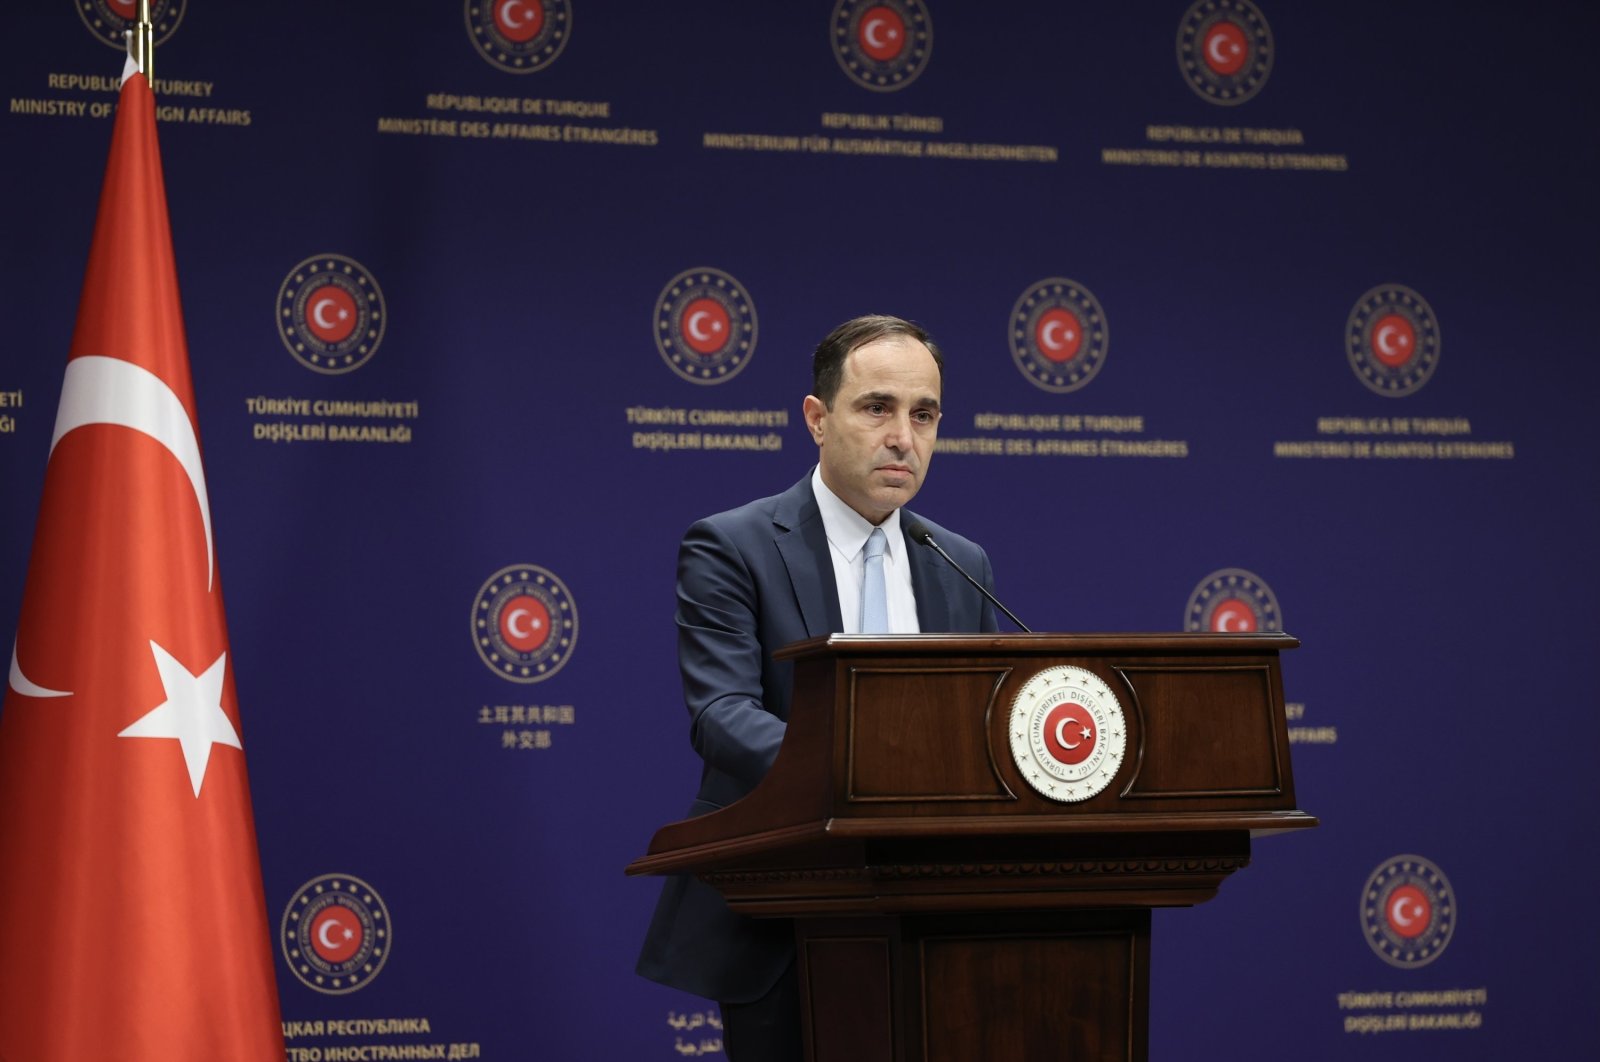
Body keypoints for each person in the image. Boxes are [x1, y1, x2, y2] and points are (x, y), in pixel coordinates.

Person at [636, 314, 1000, 1060]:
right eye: (878, 408)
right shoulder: (732, 545)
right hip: (782, 912)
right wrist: (869, 773)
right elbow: (723, 713)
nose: (904, 436)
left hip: (937, 918)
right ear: (817, 418)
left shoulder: (960, 561)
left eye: (923, 414)